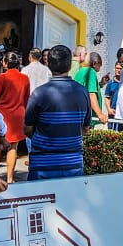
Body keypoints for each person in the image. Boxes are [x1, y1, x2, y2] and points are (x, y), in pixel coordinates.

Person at [24, 45, 91, 180]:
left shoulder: (39, 93)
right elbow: (85, 128)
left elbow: (28, 129)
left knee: (40, 201)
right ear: (69, 66)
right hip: (72, 164)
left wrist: (47, 139)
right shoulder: (83, 92)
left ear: (48, 64)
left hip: (42, 165)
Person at [0, 51, 30, 183]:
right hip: (18, 115)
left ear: (5, 63)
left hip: (2, 115)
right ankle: (10, 178)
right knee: (13, 147)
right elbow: (26, 99)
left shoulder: (1, 78)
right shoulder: (24, 78)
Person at [72, 48, 108, 127]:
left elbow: (85, 88)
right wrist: (100, 114)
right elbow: (91, 94)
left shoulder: (81, 71)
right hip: (85, 118)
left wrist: (101, 84)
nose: (100, 67)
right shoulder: (91, 72)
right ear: (95, 64)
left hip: (76, 114)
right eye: (100, 64)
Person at [103, 62, 123, 129]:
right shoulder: (110, 83)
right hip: (113, 113)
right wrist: (109, 109)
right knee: (112, 135)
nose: (119, 70)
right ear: (114, 69)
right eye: (117, 68)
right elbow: (107, 97)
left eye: (121, 69)